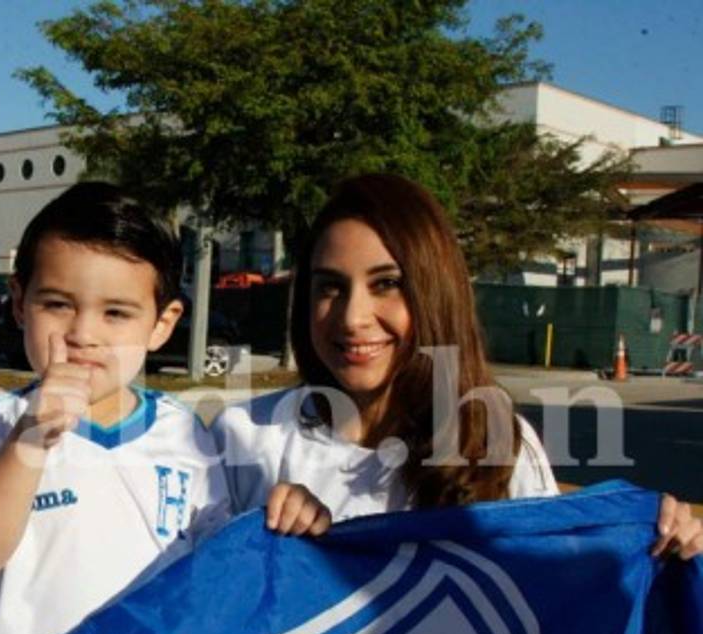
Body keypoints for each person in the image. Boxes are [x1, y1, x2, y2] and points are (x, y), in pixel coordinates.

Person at [213, 173, 702, 558]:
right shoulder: (245, 436)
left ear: (435, 293)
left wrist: (657, 539)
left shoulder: (498, 442)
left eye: (387, 284)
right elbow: (193, 615)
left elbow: (561, 593)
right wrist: (262, 542)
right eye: (330, 287)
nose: (353, 317)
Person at [0, 182, 230, 634]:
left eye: (116, 312)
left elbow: (212, 568)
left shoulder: (185, 432)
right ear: (18, 302)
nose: (82, 334)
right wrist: (28, 441)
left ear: (162, 323)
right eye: (56, 304)